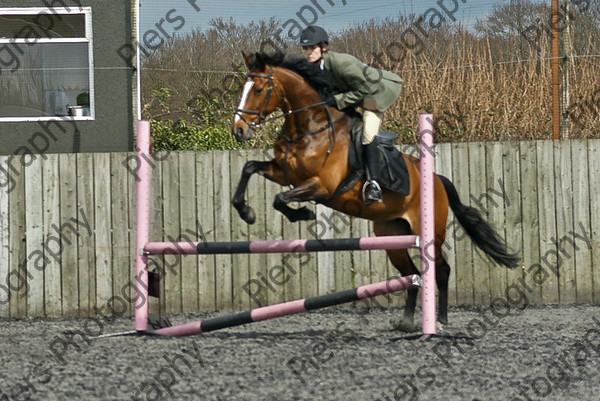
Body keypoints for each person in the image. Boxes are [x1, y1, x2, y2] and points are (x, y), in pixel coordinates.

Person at [299, 25, 403, 204]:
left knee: (368, 132)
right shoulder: (314, 68)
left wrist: (337, 100)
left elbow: (365, 90)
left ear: (324, 47)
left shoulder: (342, 63)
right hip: (354, 94)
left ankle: (374, 184)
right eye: (306, 48)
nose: (309, 52)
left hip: (376, 93)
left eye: (312, 48)